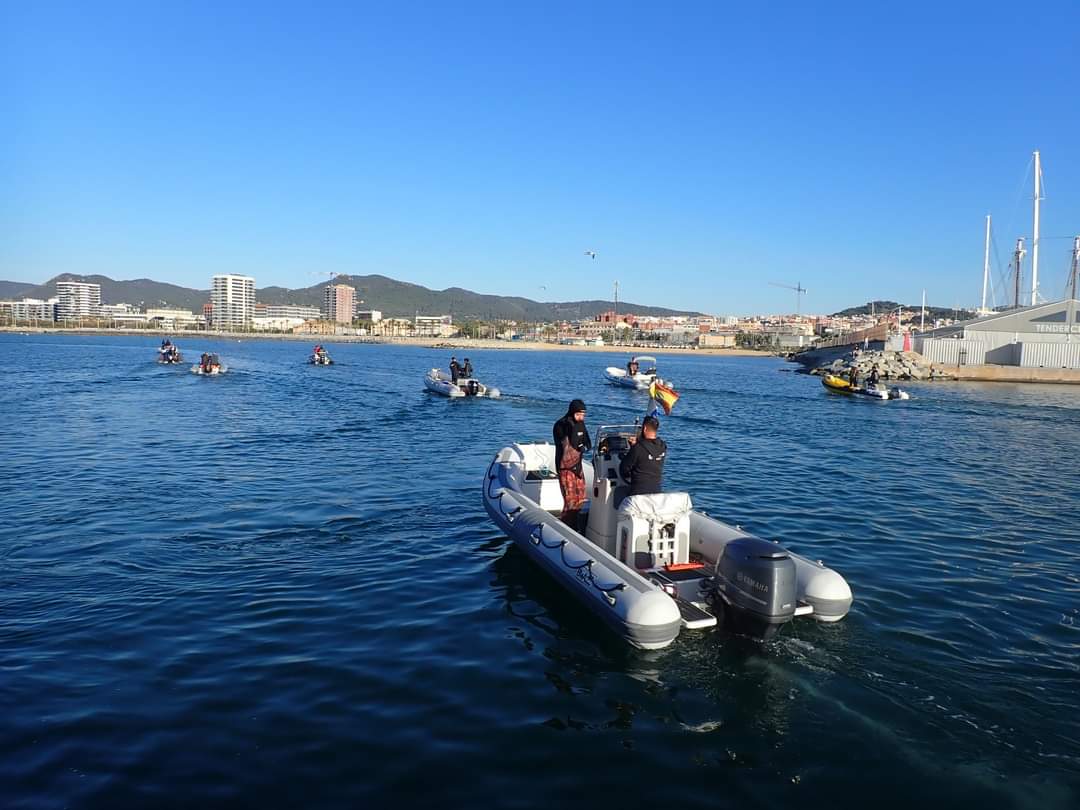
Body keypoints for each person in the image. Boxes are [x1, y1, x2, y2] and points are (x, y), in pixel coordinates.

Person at [552, 399, 592, 528]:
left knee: (580, 498)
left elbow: (587, 442)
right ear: (572, 412)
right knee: (570, 500)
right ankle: (567, 527)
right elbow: (566, 441)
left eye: (583, 415)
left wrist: (584, 447)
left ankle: (577, 525)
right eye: (579, 414)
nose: (581, 417)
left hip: (577, 467)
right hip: (565, 468)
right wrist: (574, 431)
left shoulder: (581, 424)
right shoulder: (561, 425)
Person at [619, 416, 667, 497]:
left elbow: (623, 469)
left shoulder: (638, 448)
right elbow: (647, 456)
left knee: (617, 493)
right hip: (656, 493)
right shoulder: (663, 446)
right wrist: (635, 446)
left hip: (638, 496)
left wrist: (633, 448)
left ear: (644, 429)